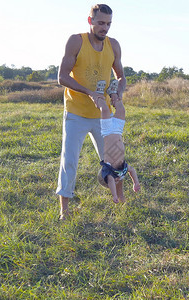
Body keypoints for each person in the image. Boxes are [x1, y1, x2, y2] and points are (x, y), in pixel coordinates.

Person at [56, 4, 125, 220]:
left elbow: (121, 77)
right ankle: (64, 211)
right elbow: (62, 77)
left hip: (102, 115)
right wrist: (88, 93)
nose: (105, 28)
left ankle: (121, 200)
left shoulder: (113, 45)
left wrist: (116, 94)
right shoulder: (76, 41)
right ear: (90, 21)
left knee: (115, 159)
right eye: (101, 23)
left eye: (108, 24)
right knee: (70, 161)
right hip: (76, 112)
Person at [96, 79, 140, 203]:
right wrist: (135, 183)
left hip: (107, 131)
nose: (116, 181)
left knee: (104, 110)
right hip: (118, 130)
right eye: (116, 181)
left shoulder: (109, 170)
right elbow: (132, 171)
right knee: (121, 109)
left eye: (112, 182)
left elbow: (110, 180)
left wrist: (114, 195)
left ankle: (98, 95)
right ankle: (113, 93)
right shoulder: (123, 169)